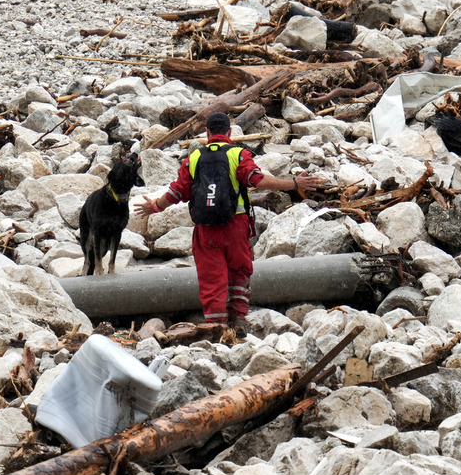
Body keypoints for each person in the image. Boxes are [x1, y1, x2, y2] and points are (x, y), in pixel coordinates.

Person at [135, 112, 324, 336]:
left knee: (211, 279)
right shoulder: (238, 154)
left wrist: (155, 207)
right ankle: (238, 319)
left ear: (207, 133)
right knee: (240, 271)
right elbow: (258, 180)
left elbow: (176, 192)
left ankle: (218, 328)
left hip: (206, 230)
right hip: (236, 226)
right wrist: (294, 183)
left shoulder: (193, 158)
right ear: (229, 132)